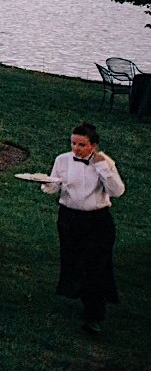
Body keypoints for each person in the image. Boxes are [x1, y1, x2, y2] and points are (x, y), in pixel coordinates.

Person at [48, 122, 127, 333]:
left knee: (96, 266)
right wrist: (48, 185)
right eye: (73, 143)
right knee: (75, 262)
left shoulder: (105, 163)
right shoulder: (62, 160)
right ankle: (83, 298)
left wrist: (102, 167)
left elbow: (117, 191)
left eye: (82, 144)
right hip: (69, 219)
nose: (76, 149)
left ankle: (94, 315)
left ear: (93, 145)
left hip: (97, 222)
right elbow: (55, 185)